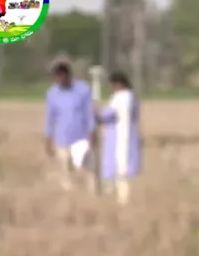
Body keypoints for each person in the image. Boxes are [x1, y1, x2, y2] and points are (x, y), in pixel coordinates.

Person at [44, 61, 97, 191]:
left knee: (89, 171)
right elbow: (50, 118)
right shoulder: (52, 93)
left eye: (61, 76)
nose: (59, 79)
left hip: (81, 137)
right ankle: (70, 199)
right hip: (62, 140)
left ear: (68, 75)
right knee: (65, 173)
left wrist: (92, 133)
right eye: (57, 77)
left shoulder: (83, 89)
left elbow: (89, 113)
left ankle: (93, 197)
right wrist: (48, 139)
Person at [96, 71, 142, 205]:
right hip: (130, 137)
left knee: (119, 172)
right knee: (124, 173)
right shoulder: (133, 98)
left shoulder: (120, 97)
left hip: (117, 139)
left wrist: (96, 113)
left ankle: (121, 201)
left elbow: (107, 115)